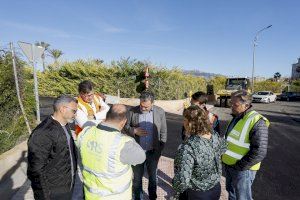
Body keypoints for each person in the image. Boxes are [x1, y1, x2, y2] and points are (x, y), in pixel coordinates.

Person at [76, 104, 146, 200]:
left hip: (91, 196)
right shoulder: (124, 143)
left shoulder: (84, 133)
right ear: (124, 121)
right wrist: (130, 139)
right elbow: (141, 157)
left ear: (106, 116)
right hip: (117, 197)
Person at [27, 95, 78, 200]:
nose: (75, 114)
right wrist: (44, 196)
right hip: (53, 192)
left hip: (67, 186)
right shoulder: (44, 132)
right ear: (63, 109)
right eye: (74, 111)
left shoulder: (65, 125)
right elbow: (35, 169)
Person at [222, 90, 270, 200]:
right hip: (230, 166)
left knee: (243, 197)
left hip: (243, 169)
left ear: (246, 105)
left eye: (235, 104)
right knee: (232, 194)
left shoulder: (257, 121)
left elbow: (260, 151)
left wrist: (240, 166)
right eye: (231, 103)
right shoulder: (236, 117)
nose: (232, 107)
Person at [173, 105, 227, 200]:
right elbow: (224, 148)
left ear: (190, 123)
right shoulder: (215, 136)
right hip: (215, 189)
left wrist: (176, 192)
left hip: (196, 193)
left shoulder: (188, 147)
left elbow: (183, 180)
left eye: (185, 120)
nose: (183, 123)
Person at [124, 91, 167, 200]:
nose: (143, 109)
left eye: (146, 107)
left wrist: (160, 150)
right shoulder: (132, 111)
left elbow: (163, 132)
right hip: (137, 152)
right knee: (137, 179)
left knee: (153, 179)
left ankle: (153, 198)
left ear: (152, 103)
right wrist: (134, 130)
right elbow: (125, 126)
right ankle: (138, 198)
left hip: (153, 152)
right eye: (141, 106)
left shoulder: (160, 112)